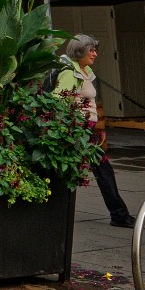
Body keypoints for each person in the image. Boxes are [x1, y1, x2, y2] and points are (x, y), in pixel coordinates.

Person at [55, 34, 134, 228]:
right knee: (101, 170)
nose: (95, 53)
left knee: (98, 170)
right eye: (91, 50)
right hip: (79, 131)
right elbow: (59, 101)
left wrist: (98, 129)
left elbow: (91, 103)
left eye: (95, 49)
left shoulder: (85, 70)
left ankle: (119, 214)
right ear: (79, 51)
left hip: (88, 131)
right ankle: (119, 214)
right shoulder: (69, 72)